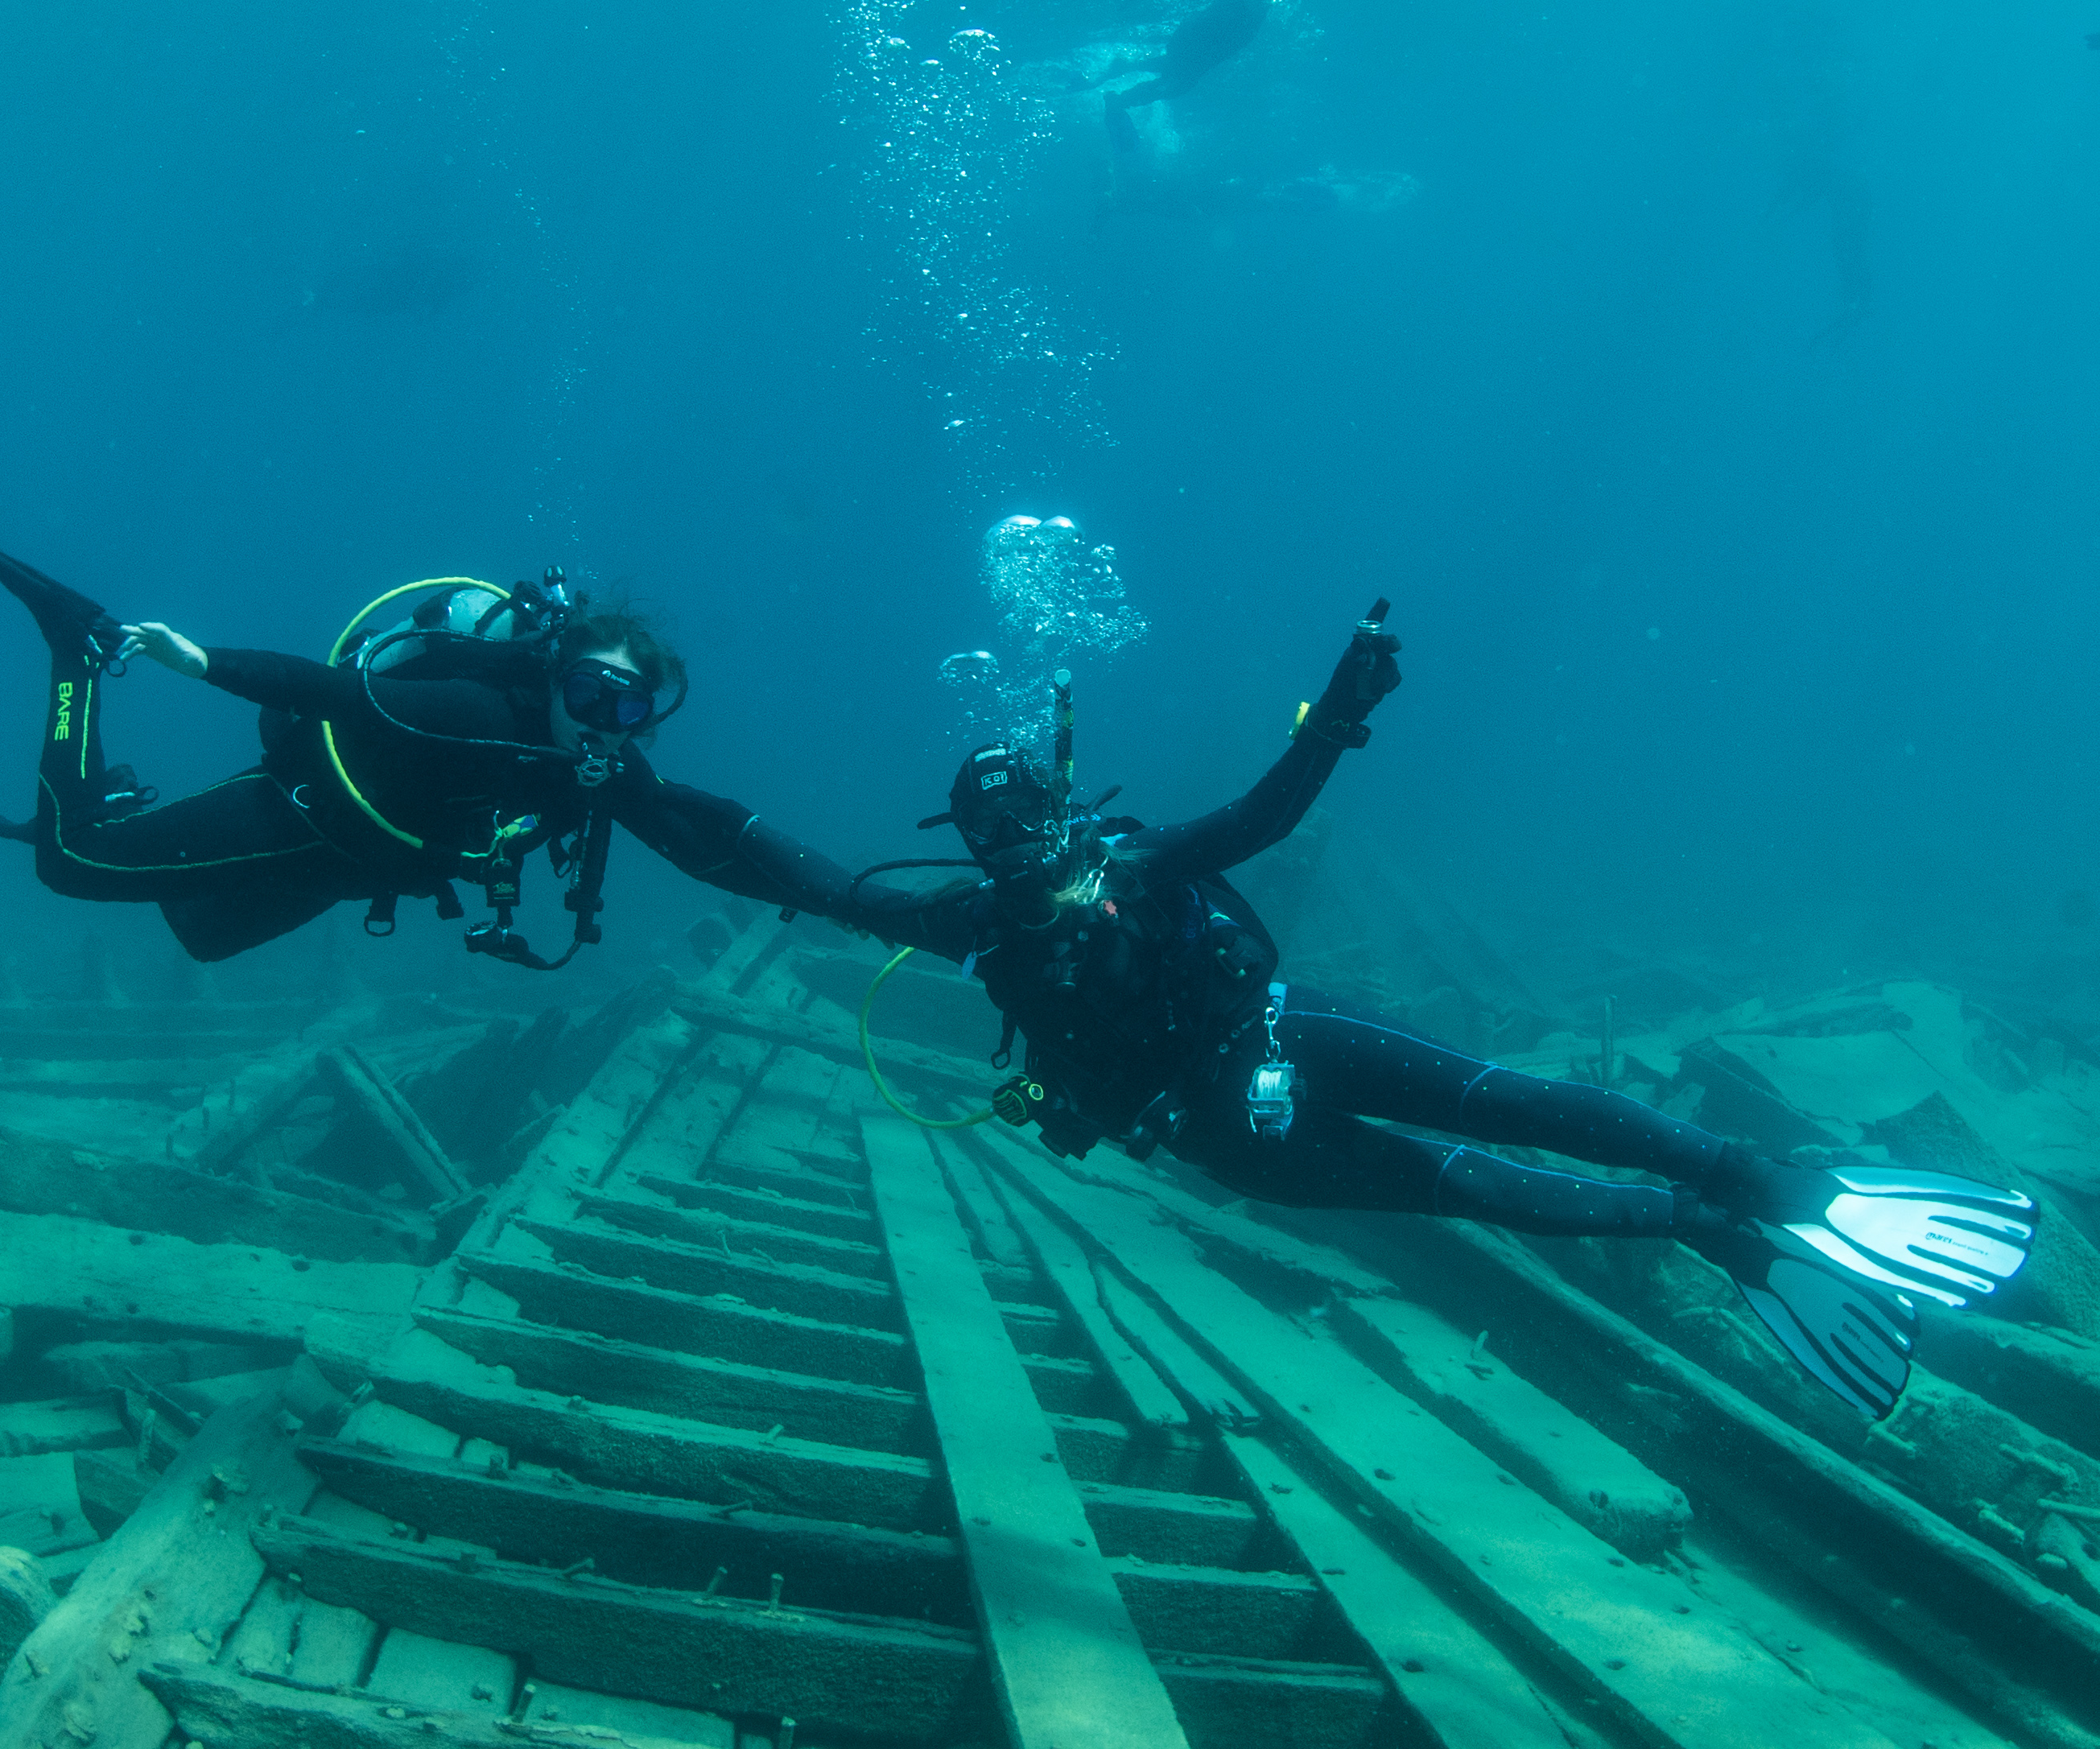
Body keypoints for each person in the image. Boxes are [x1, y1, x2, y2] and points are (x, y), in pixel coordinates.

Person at [829, 609, 2038, 1422]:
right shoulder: (972, 928)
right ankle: (1719, 1231)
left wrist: (1339, 714)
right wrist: (655, 795)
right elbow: (804, 883)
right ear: (972, 850)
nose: (1017, 846)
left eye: (1026, 813)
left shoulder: (1135, 869)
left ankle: (1763, 1182)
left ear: (1060, 797)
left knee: (1498, 1104)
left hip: (1280, 1040)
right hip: (1232, 1140)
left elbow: (1258, 822)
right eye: (991, 836)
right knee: (1468, 1180)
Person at [0, 435, 850, 968]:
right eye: (590, 695)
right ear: (555, 680)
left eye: (629, 713)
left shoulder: (602, 770)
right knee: (67, 864)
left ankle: (132, 810)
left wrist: (862, 903)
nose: (602, 726)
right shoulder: (478, 714)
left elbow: (710, 837)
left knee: (202, 939)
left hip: (356, 861)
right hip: (304, 815)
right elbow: (328, 690)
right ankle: (68, 649)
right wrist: (199, 661)